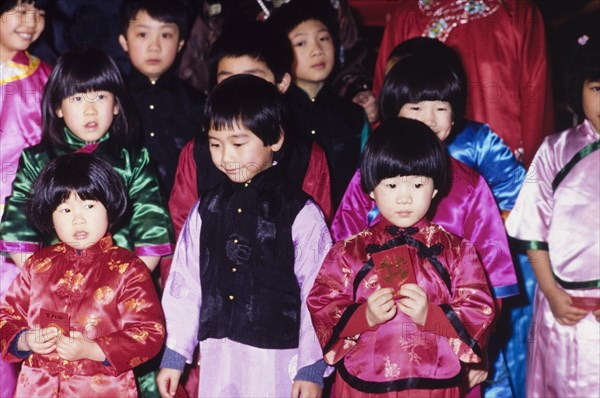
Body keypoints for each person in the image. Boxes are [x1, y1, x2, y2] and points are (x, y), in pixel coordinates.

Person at [157, 74, 330, 398]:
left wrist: (312, 366)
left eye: (238, 143)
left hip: (279, 360)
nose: (226, 157)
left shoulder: (300, 212)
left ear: (275, 138)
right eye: (215, 144)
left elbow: (320, 292)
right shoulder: (205, 209)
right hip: (219, 355)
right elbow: (185, 283)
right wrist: (175, 353)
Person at [308, 117, 496, 396]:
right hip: (362, 384)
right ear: (371, 189)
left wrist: (432, 316)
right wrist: (364, 316)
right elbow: (322, 303)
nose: (405, 198)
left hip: (434, 385)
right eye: (392, 186)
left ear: (434, 188)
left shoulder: (458, 251)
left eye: (418, 186)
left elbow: (480, 310)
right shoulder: (348, 252)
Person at [0, 152, 165, 397]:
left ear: (108, 206)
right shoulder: (37, 265)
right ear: (50, 215)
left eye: (89, 206)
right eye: (65, 209)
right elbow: (6, 317)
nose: (78, 219)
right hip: (36, 388)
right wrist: (25, 341)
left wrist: (94, 350)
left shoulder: (128, 268)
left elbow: (150, 332)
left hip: (104, 389)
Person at [0, 47, 173, 271]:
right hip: (54, 281)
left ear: (117, 105)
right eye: (78, 98)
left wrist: (128, 283)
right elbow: (19, 225)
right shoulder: (37, 160)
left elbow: (151, 226)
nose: (90, 111)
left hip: (118, 281)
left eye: (100, 97)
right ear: (58, 107)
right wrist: (41, 280)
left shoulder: (134, 160)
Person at [169, 21, 332, 245]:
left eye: (252, 79)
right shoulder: (197, 152)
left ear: (282, 83)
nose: (238, 92)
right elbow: (182, 229)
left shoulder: (307, 156)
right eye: (227, 80)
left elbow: (316, 242)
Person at [505, 34, 600, 397]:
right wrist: (549, 290)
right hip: (563, 306)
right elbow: (533, 229)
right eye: (597, 88)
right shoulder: (553, 151)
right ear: (579, 90)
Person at [372, 0, 553, 168]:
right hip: (415, 166)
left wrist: (535, 171)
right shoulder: (406, 16)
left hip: (500, 162)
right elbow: (386, 101)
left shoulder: (519, 13)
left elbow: (536, 99)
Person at [269, 0, 369, 210]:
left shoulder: (354, 116)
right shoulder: (274, 113)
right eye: (301, 43)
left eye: (323, 38)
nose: (317, 50)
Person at [0, 0, 51, 395]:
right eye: (18, 9)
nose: (30, 22)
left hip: (23, 227)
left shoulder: (46, 78)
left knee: (16, 322)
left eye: (37, 11)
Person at [118, 0, 206, 200]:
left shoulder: (199, 104)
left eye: (166, 35)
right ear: (124, 41)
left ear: (180, 43)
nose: (154, 47)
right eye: (143, 34)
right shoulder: (111, 101)